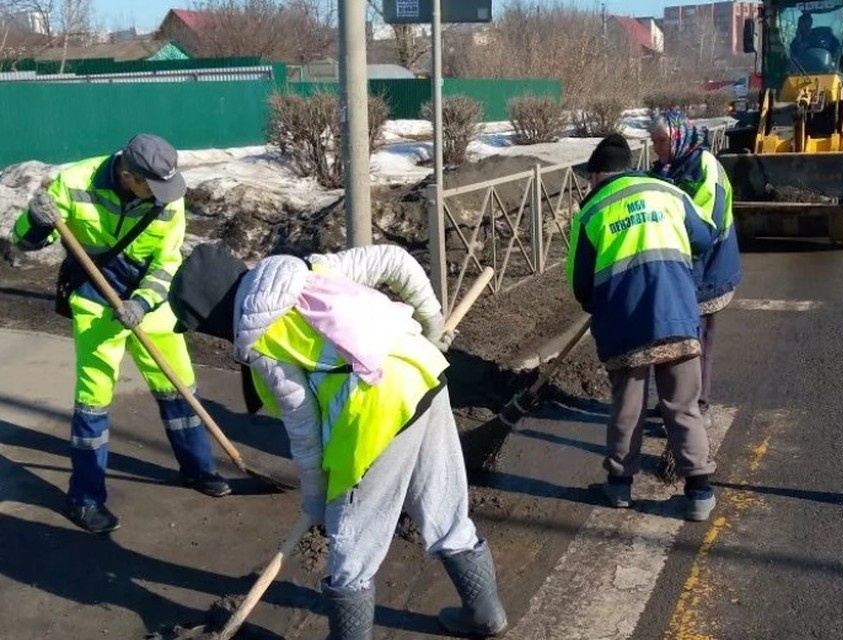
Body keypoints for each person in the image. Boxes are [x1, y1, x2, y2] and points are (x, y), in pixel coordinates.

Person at [167, 243, 508, 640]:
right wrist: (430, 324)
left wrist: (316, 496)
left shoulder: (263, 339)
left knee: (351, 535)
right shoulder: (307, 269)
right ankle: (485, 613)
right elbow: (394, 260)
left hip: (377, 410)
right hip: (424, 374)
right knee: (440, 499)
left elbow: (305, 428)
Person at [10, 134, 228, 535]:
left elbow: (166, 261)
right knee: (93, 402)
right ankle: (85, 498)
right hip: (96, 300)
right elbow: (22, 243)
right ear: (128, 175)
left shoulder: (167, 193)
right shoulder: (74, 183)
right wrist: (35, 219)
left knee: (179, 386)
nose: (164, 196)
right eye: (154, 188)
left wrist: (143, 304)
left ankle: (199, 469)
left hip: (151, 300)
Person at [567, 133, 718, 521]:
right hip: (677, 314)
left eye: (590, 176)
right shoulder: (668, 192)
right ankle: (699, 492)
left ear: (600, 174)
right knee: (682, 403)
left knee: (628, 406)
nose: (589, 183)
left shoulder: (591, 211)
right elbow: (704, 236)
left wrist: (598, 305)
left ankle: (619, 486)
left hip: (624, 324)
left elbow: (579, 283)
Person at [648, 110, 742, 428]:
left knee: (698, 338)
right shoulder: (664, 167)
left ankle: (698, 405)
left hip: (707, 269)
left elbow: (706, 229)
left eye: (661, 140)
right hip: (679, 270)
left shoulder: (704, 166)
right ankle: (677, 401)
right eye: (653, 141)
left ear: (676, 136)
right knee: (676, 337)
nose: (656, 147)